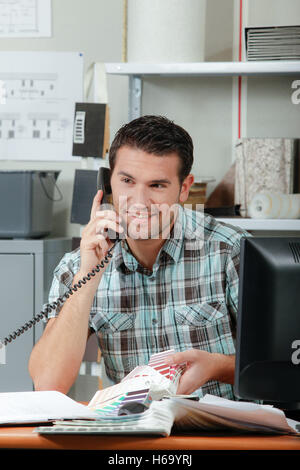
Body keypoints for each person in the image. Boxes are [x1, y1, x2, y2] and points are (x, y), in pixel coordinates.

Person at [28, 115, 249, 399]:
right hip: (133, 434)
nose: (139, 201)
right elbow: (47, 383)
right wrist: (87, 277)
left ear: (184, 188)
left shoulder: (230, 251)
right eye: (127, 181)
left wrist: (217, 367)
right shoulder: (77, 266)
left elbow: (282, 366)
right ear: (108, 184)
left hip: (221, 437)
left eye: (157, 185)